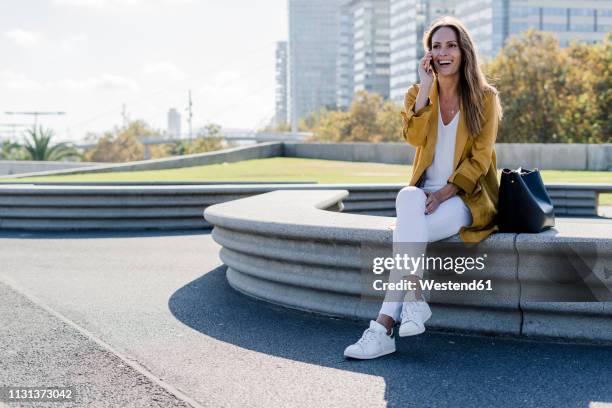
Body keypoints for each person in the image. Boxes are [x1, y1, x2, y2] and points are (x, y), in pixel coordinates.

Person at [344, 16, 503, 360]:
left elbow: (479, 159)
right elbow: (413, 138)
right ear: (428, 55)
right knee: (407, 196)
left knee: (406, 235)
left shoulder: (485, 98)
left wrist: (445, 193)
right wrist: (425, 89)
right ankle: (413, 300)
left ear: (464, 52)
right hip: (420, 199)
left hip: (463, 197)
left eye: (450, 45)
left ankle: (383, 326)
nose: (443, 52)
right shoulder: (418, 94)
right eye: (435, 46)